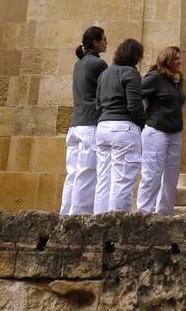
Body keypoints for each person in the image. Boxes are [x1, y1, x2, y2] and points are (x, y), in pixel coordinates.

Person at [93, 38, 145, 214]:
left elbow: (98, 104)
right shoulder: (131, 73)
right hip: (124, 129)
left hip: (103, 128)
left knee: (103, 181)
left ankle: (98, 225)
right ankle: (116, 230)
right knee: (122, 181)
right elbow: (134, 105)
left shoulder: (104, 74)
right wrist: (143, 124)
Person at [60, 25, 107, 215]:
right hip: (90, 124)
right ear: (95, 42)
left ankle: (66, 214)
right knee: (87, 173)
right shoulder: (98, 64)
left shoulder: (78, 63)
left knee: (73, 174)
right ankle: (78, 218)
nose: (106, 42)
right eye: (103, 39)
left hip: (75, 125)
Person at [137, 46, 185, 216]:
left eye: (180, 58)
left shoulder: (177, 79)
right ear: (167, 59)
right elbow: (136, 96)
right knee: (152, 175)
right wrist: (144, 120)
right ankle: (143, 214)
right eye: (176, 58)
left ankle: (164, 215)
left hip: (175, 132)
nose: (179, 61)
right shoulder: (154, 77)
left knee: (171, 177)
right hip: (157, 131)